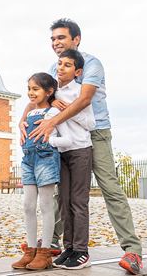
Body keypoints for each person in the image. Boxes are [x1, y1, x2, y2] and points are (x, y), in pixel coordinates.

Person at [24, 18, 144, 274]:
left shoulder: (91, 64)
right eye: (53, 39)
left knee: (109, 187)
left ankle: (132, 250)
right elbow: (41, 95)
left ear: (76, 40)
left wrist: (52, 121)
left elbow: (84, 98)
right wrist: (23, 120)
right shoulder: (53, 68)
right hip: (63, 136)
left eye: (62, 38)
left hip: (95, 133)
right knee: (61, 191)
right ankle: (53, 243)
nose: (56, 43)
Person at [11, 73, 72, 271]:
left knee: (46, 205)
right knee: (28, 205)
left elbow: (67, 139)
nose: (30, 92)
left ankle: (45, 252)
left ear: (49, 91)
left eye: (35, 89)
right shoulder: (28, 113)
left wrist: (49, 141)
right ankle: (30, 251)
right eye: (29, 88)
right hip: (28, 160)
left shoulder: (54, 112)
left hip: (46, 160)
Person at [51, 49, 95, 270]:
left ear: (77, 72)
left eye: (67, 65)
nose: (61, 68)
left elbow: (90, 124)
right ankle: (68, 248)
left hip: (79, 150)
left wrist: (67, 110)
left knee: (78, 201)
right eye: (60, 63)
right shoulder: (54, 93)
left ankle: (81, 250)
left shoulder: (80, 92)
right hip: (61, 152)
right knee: (64, 201)